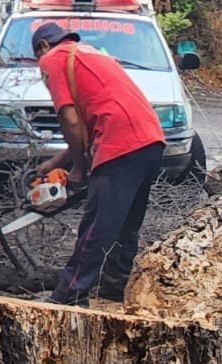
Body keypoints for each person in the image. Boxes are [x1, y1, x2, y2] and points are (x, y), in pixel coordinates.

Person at [32, 22, 165, 305]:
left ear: (43, 45)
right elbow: (86, 121)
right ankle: (114, 289)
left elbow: (69, 120)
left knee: (96, 226)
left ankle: (68, 296)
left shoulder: (51, 58)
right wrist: (55, 163)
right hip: (150, 137)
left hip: (121, 140)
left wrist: (79, 170)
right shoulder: (92, 54)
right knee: (126, 223)